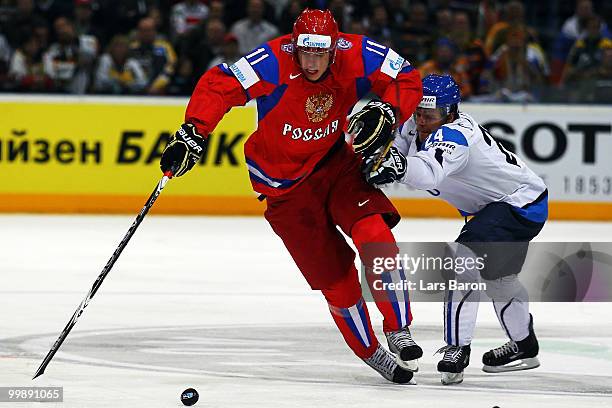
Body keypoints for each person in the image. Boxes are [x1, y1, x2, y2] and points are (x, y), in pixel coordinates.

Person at [159, 8, 424, 384]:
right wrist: (194, 131)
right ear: (295, 47)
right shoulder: (272, 59)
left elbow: (406, 76)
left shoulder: (356, 52)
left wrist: (389, 108)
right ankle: (370, 351)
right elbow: (221, 84)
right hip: (284, 191)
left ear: (335, 49)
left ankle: (398, 327)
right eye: (305, 53)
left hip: (336, 165)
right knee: (338, 280)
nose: (312, 62)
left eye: (321, 54)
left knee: (375, 235)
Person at [364, 74, 547, 385]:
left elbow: (430, 173)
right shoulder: (420, 120)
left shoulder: (456, 137)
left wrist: (398, 167)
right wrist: (382, 152)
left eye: (429, 116)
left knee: (462, 260)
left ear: (450, 113)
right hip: (511, 204)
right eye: (418, 113)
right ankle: (525, 347)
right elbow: (401, 146)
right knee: (501, 282)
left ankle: (457, 349)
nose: (421, 121)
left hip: (517, 205)